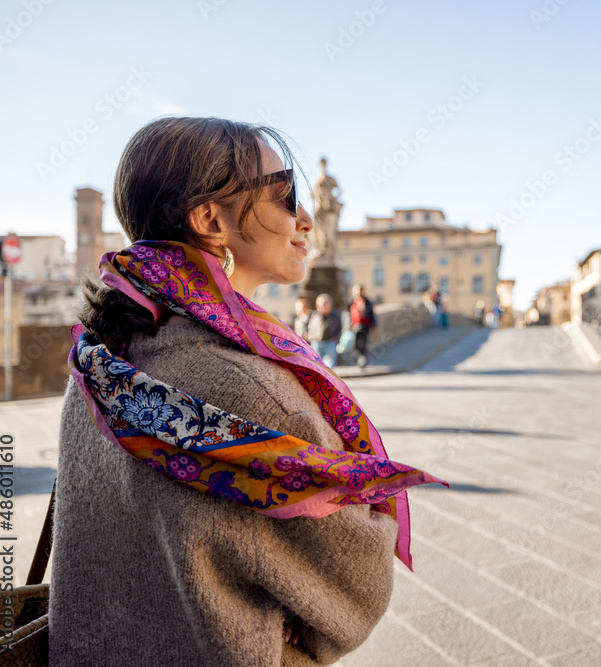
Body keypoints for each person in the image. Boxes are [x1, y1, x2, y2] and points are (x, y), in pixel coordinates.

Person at [53, 117, 444, 666]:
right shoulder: (251, 391)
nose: (305, 219)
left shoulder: (99, 361)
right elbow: (358, 591)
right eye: (285, 196)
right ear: (211, 219)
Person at [308, 293, 342, 368]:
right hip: (316, 343)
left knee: (329, 366)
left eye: (324, 305)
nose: (322, 307)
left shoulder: (335, 315)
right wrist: (311, 336)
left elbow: (339, 328)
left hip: (329, 343)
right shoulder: (315, 315)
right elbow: (310, 327)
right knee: (317, 365)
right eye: (319, 305)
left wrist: (336, 338)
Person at [349, 284, 377, 368]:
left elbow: (371, 314)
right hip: (355, 325)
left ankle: (362, 360)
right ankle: (360, 359)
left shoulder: (366, 301)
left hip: (364, 325)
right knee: (355, 344)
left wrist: (374, 326)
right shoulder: (352, 301)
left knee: (362, 343)